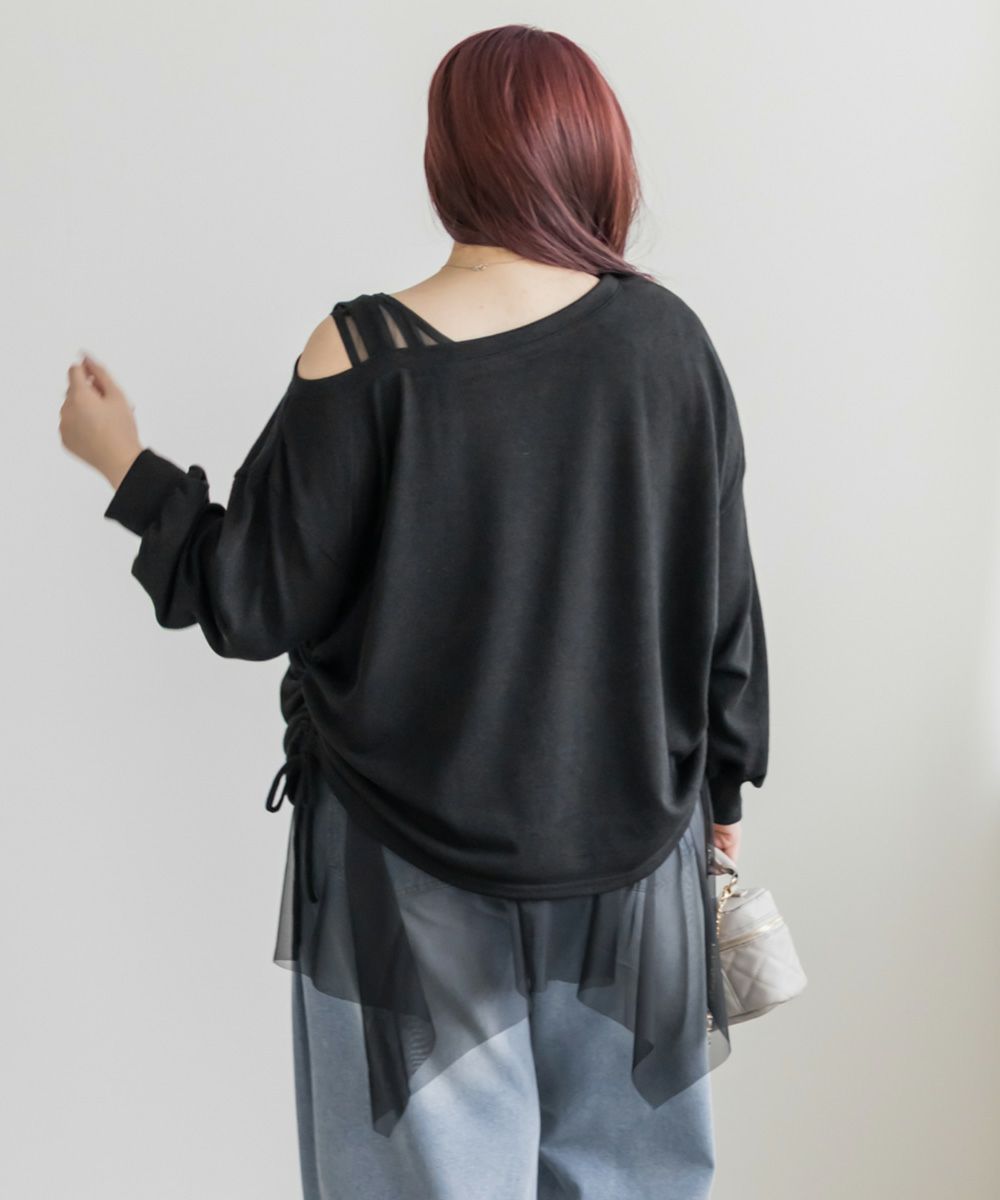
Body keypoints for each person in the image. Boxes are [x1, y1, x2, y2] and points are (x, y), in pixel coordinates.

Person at [59, 22, 769, 1200]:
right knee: (632, 1182)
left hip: (406, 868)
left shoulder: (361, 353)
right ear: (597, 153)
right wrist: (725, 800)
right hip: (635, 849)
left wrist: (125, 466)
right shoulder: (668, 345)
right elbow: (722, 605)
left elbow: (247, 598)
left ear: (447, 158)